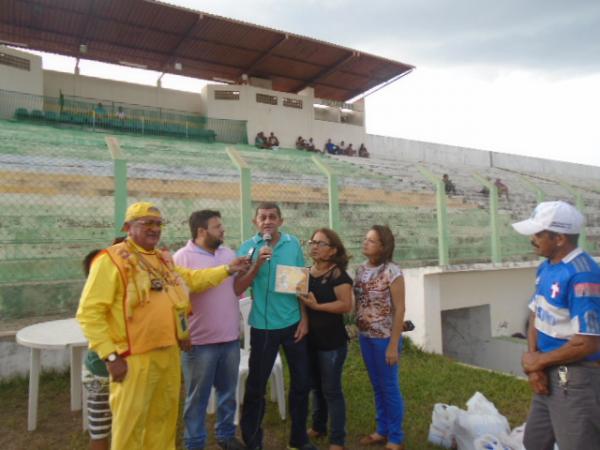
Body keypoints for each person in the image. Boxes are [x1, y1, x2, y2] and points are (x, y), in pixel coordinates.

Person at [76, 202, 249, 450]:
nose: (154, 228)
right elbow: (89, 313)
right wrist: (111, 355)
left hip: (168, 353)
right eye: (147, 223)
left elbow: (191, 280)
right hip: (133, 358)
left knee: (163, 420)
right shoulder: (110, 260)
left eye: (158, 224)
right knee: (131, 424)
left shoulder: (163, 260)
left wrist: (226, 269)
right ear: (128, 226)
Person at [512, 201, 600, 450]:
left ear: (559, 238)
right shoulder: (546, 267)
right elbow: (535, 315)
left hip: (574, 377)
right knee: (535, 441)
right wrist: (534, 363)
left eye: (539, 234)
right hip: (547, 369)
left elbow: (588, 342)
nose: (533, 239)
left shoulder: (583, 275)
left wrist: (538, 362)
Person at [235, 202, 317, 450]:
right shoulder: (248, 248)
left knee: (302, 383)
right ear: (255, 222)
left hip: (293, 324)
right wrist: (257, 264)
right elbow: (239, 288)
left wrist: (304, 318)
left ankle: (299, 438)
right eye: (262, 217)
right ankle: (253, 442)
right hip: (263, 328)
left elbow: (300, 286)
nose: (267, 221)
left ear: (280, 220)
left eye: (272, 217)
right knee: (256, 386)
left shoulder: (292, 244)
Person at [173, 210, 246, 450]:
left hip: (229, 338)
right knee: (197, 398)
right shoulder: (182, 258)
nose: (222, 230)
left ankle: (226, 436)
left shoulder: (229, 254)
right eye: (217, 227)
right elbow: (177, 299)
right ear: (201, 231)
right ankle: (194, 443)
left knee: (228, 393)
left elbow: (237, 291)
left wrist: (247, 272)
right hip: (199, 342)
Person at [298, 228, 353, 450]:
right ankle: (319, 426)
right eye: (313, 242)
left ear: (332, 251)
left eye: (321, 243)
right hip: (310, 340)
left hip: (332, 343)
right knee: (316, 387)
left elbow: (345, 305)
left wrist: (317, 306)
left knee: (331, 390)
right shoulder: (305, 273)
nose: (315, 246)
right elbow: (302, 302)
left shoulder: (338, 275)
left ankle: (338, 439)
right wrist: (305, 319)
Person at [354, 225, 407, 450]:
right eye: (365, 239)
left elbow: (400, 308)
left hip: (385, 338)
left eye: (371, 241)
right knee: (377, 385)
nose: (365, 243)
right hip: (365, 336)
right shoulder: (359, 270)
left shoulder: (392, 272)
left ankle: (396, 436)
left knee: (389, 386)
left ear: (383, 246)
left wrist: (393, 345)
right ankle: (381, 429)